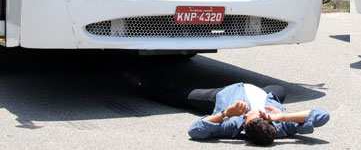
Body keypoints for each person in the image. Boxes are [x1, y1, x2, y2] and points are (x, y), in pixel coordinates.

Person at [124, 73, 329, 145]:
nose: (250, 112)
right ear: (267, 120)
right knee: (280, 90)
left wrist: (226, 114)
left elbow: (195, 130)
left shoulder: (233, 126)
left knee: (181, 96)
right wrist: (283, 114)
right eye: (255, 114)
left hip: (223, 95)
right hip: (264, 92)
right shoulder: (282, 125)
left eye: (247, 117)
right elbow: (322, 115)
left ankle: (141, 86)